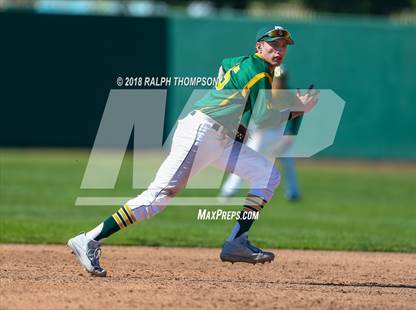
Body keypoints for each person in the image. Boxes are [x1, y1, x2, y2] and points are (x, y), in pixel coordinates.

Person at [67, 25, 318, 277]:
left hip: (220, 138)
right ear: (259, 46)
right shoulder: (258, 71)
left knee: (268, 176)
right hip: (202, 132)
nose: (279, 50)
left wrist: (235, 117)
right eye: (273, 44)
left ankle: (237, 242)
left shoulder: (241, 63)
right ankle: (89, 239)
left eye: (284, 46)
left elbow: (224, 65)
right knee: (157, 199)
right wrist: (298, 108)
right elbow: (264, 118)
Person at [219, 65, 302, 202]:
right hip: (260, 131)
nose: (279, 82)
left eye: (282, 79)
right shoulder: (263, 91)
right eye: (277, 79)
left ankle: (293, 193)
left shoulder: (289, 95)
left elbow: (298, 112)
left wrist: (291, 135)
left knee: (288, 161)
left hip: (278, 132)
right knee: (246, 160)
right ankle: (229, 191)